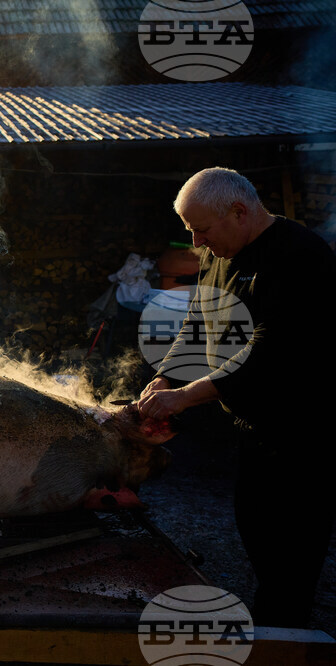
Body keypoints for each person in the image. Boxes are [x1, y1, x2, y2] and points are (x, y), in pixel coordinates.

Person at [137, 167, 336, 628]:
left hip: (305, 431)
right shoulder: (217, 253)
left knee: (293, 552)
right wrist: (166, 376)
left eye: (202, 230)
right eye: (191, 232)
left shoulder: (299, 256)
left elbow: (269, 355)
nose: (198, 243)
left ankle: (285, 640)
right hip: (253, 427)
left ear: (240, 212)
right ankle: (274, 619)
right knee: (256, 526)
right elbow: (199, 322)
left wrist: (186, 397)